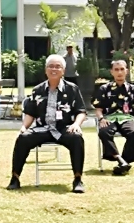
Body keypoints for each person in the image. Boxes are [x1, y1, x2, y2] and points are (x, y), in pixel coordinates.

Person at [8, 54, 87, 193]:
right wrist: (24, 127)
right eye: (51, 66)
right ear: (46, 70)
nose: (54, 69)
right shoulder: (37, 90)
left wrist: (76, 125)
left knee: (77, 139)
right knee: (23, 138)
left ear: (63, 70)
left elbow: (81, 111)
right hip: (42, 128)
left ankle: (78, 179)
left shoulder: (72, 89)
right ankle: (15, 178)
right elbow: (30, 113)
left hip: (63, 128)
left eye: (58, 67)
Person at [93, 59, 134, 176]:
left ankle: (125, 162)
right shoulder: (104, 89)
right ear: (111, 72)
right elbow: (98, 109)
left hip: (127, 118)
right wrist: (101, 119)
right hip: (109, 118)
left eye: (122, 69)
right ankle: (120, 159)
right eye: (116, 70)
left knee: (133, 132)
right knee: (103, 132)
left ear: (126, 71)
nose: (119, 72)